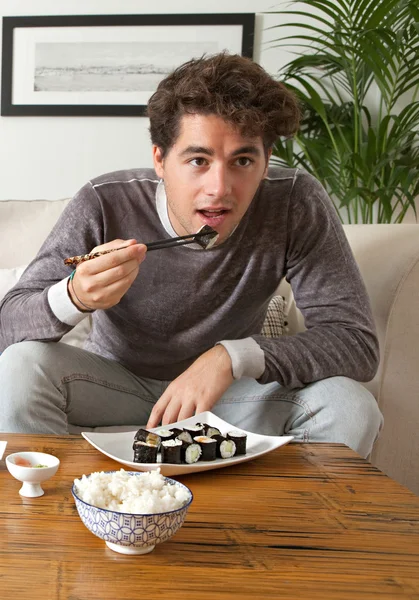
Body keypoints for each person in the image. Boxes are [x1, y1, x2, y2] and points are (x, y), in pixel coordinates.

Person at [0, 52, 383, 457]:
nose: (219, 188)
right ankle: (46, 513)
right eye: (198, 160)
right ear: (160, 160)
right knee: (20, 368)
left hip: (229, 396)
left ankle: (285, 518)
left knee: (351, 406)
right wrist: (74, 296)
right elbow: (7, 326)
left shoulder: (294, 202)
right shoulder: (105, 201)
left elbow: (355, 343)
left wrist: (230, 357)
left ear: (267, 162)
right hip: (112, 386)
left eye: (243, 160)